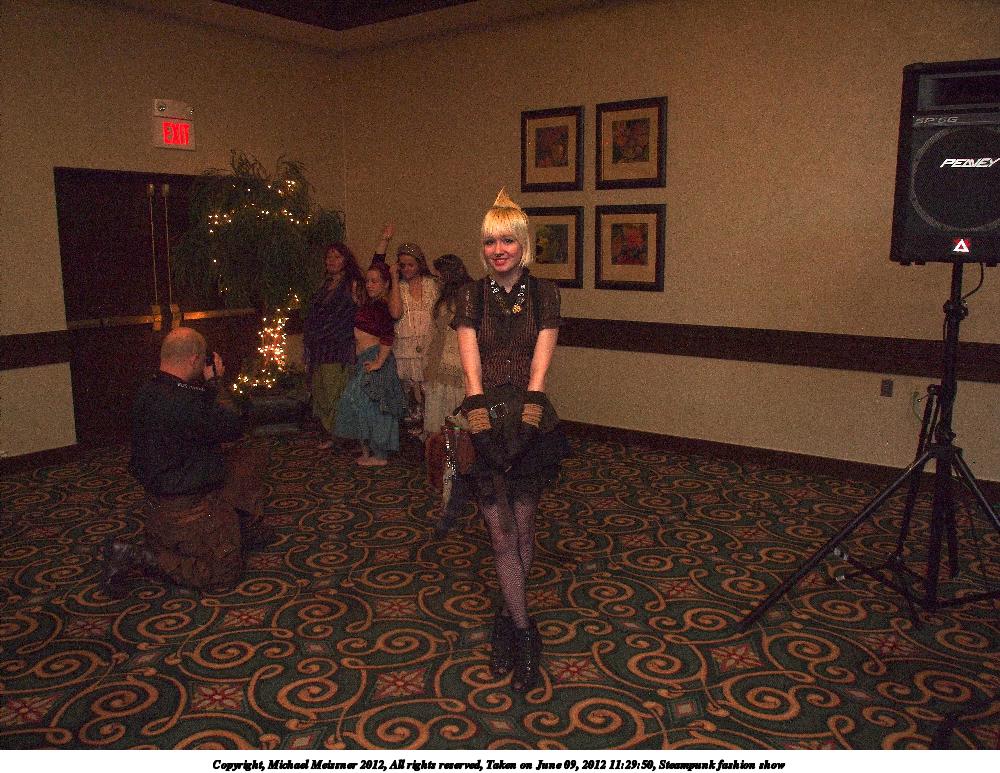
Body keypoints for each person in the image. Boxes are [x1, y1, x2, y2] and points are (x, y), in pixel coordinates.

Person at [453, 189, 569, 692]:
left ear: (523, 244)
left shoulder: (544, 294)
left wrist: (527, 423)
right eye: (489, 241)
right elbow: (470, 373)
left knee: (522, 532)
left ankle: (507, 616)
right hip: (485, 417)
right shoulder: (470, 296)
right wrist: (480, 424)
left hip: (529, 418)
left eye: (507, 240)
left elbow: (539, 371)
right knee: (500, 534)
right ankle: (525, 633)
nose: (497, 249)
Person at [101, 327, 274, 597]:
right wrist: (216, 383)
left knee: (246, 456)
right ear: (194, 359)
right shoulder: (184, 402)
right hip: (188, 507)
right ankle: (139, 556)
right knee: (224, 571)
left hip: (158, 503)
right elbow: (234, 424)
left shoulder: (147, 391)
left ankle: (239, 526)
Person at [334, 261, 406, 466]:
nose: (369, 285)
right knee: (359, 402)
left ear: (385, 284)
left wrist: (379, 362)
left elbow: (388, 335)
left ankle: (379, 454)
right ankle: (368, 451)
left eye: (375, 281)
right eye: (368, 281)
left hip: (376, 357)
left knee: (374, 405)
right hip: (364, 358)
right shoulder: (370, 304)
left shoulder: (383, 306)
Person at [422, 253, 474, 536]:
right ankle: (446, 486)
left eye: (440, 274)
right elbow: (436, 335)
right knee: (440, 434)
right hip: (441, 367)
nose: (437, 279)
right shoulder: (444, 299)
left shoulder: (466, 298)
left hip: (458, 371)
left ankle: (453, 491)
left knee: (456, 435)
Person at [303, 242, 364, 449]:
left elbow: (359, 312)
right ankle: (330, 432)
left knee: (334, 391)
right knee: (320, 391)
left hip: (337, 346)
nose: (331, 261)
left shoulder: (352, 285)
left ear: (346, 260)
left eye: (337, 257)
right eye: (329, 257)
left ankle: (340, 434)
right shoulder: (324, 285)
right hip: (319, 346)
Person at [386, 234, 439, 437]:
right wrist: (393, 278)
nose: (407, 269)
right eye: (403, 265)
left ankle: (430, 433)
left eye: (411, 265)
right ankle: (413, 434)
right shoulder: (398, 287)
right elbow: (395, 313)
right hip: (405, 348)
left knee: (428, 390)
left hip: (428, 345)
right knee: (409, 392)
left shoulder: (431, 284)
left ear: (419, 264)